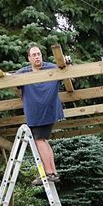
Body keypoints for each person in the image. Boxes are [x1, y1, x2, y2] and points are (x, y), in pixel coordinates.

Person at [16, 44, 64, 185]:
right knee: (42, 140)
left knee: (39, 141)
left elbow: (63, 69)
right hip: (36, 114)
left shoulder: (50, 68)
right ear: (29, 58)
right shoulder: (25, 71)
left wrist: (66, 63)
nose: (37, 57)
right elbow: (11, 77)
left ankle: (49, 173)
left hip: (46, 111)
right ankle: (52, 172)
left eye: (39, 54)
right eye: (34, 55)